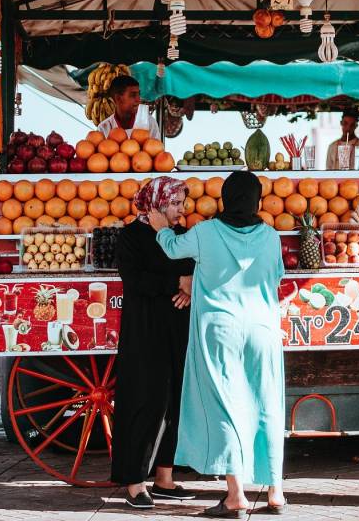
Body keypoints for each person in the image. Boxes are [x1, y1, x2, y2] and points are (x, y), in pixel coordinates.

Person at [150, 170, 287, 517]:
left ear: (225, 199)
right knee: (268, 403)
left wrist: (160, 228)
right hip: (262, 328)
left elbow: (171, 249)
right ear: (257, 200)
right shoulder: (270, 236)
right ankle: (276, 491)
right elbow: (277, 276)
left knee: (227, 404)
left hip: (220, 330)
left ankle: (236, 495)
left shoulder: (206, 232)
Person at [110, 176, 196, 509]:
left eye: (181, 203)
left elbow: (193, 270)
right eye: (175, 203)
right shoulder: (131, 237)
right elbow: (135, 280)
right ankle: (134, 482)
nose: (181, 209)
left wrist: (189, 290)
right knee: (145, 401)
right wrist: (177, 282)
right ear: (157, 204)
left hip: (178, 327)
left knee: (176, 401)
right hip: (145, 331)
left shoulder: (180, 236)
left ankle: (164, 477)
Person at [97, 75, 161, 140]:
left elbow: (158, 148)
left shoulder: (149, 123)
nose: (138, 99)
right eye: (133, 95)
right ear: (118, 98)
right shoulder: (104, 128)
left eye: (139, 94)